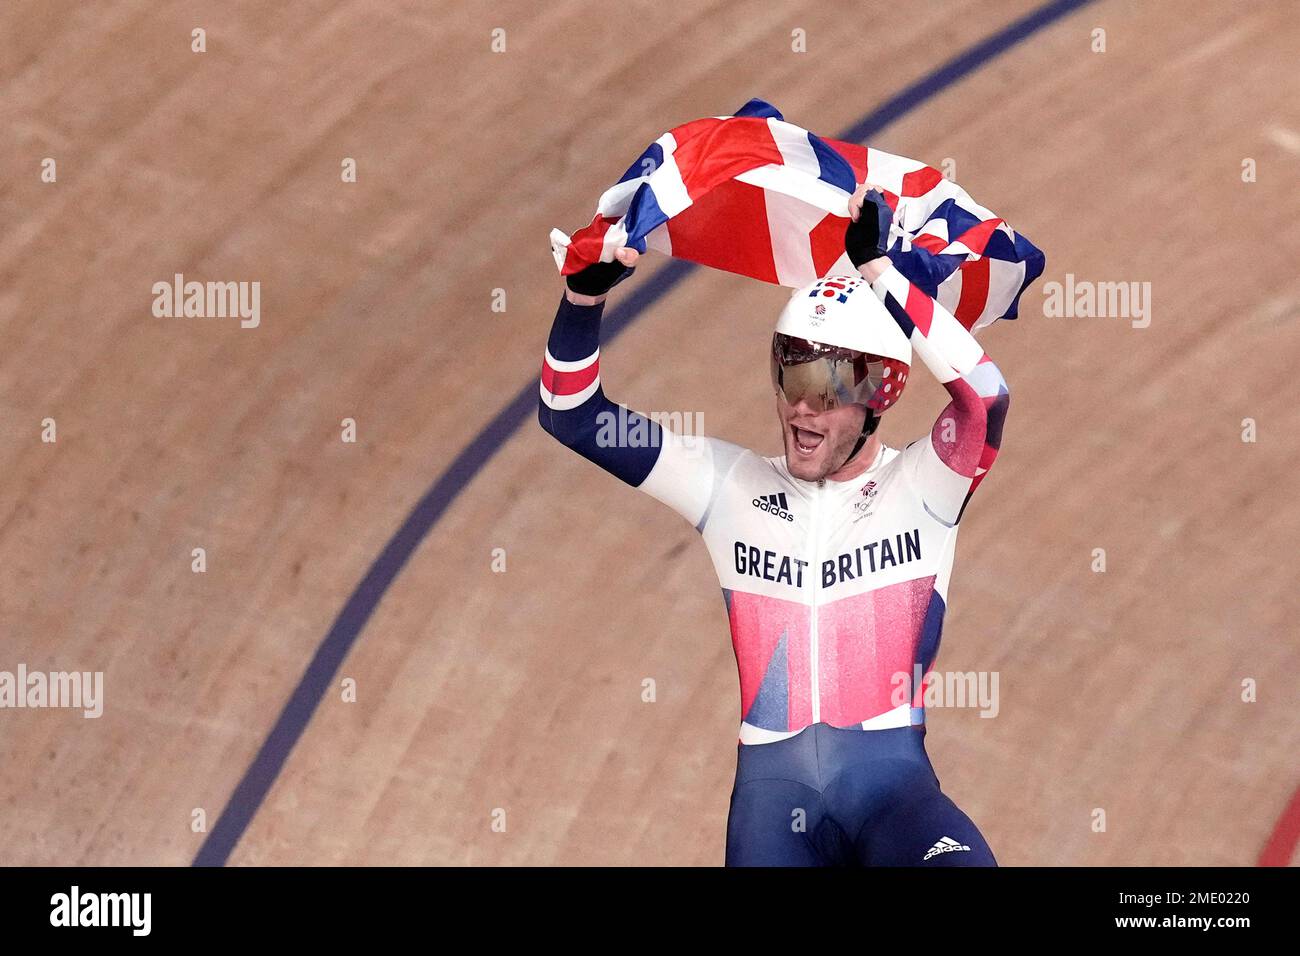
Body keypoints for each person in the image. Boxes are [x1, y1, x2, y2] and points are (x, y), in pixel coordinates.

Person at [538, 184, 1007, 866]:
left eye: (827, 387)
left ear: (883, 392)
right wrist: (583, 300)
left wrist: (880, 272)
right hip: (771, 815)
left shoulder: (925, 484)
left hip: (892, 798)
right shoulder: (726, 486)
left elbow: (986, 397)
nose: (802, 409)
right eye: (790, 378)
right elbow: (571, 414)